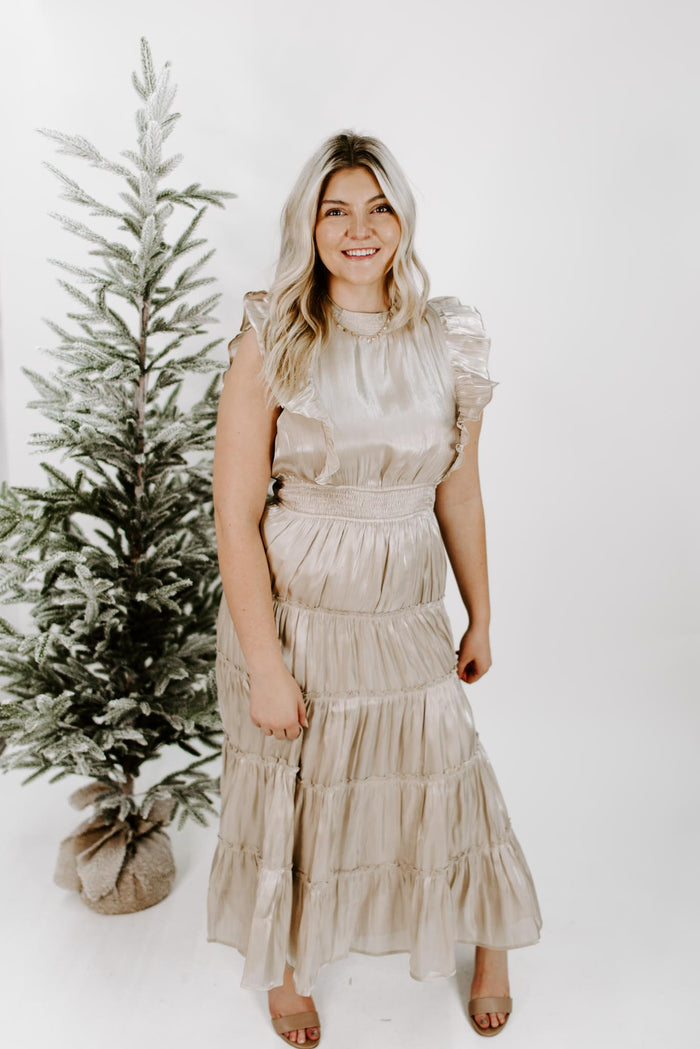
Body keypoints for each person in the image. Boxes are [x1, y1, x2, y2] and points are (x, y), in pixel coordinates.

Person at [207, 130, 542, 1045]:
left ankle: (491, 935)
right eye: (337, 210)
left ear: (403, 219)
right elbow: (234, 513)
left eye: (379, 207)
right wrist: (266, 666)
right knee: (296, 787)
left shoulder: (446, 340)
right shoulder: (273, 337)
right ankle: (286, 962)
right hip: (298, 612)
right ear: (308, 224)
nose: (360, 229)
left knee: (445, 768)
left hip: (405, 608)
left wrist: (481, 612)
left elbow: (458, 489)